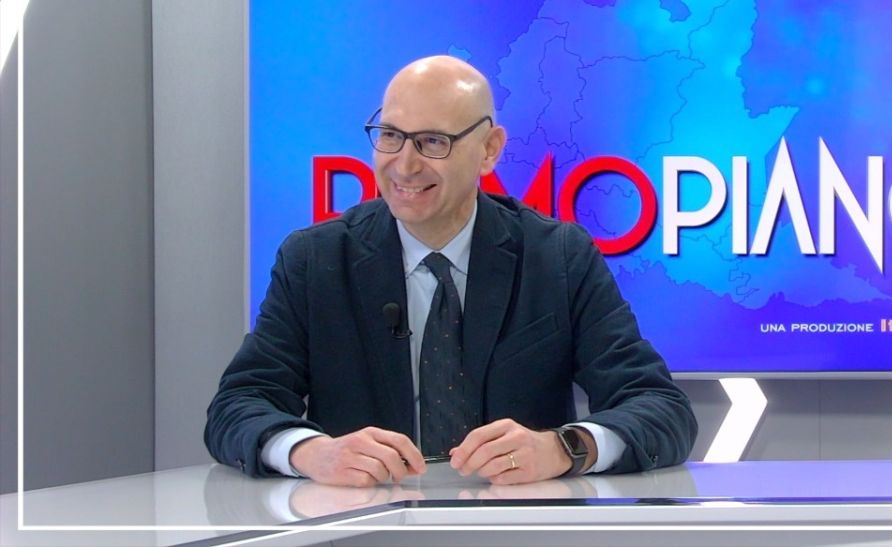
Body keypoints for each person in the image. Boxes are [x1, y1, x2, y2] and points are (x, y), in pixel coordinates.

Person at [205, 55, 697, 487]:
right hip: (362, 531)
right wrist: (310, 452)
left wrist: (565, 448)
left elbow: (660, 407)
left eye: (432, 142)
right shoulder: (315, 260)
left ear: (489, 149)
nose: (404, 165)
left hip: (519, 530)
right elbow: (237, 406)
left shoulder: (558, 258)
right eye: (391, 136)